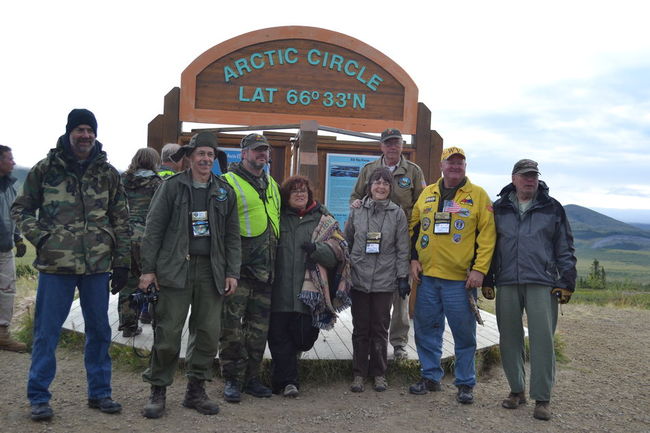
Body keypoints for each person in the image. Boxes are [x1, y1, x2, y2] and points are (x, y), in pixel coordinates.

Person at [12, 109, 130, 421]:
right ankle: (38, 397)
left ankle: (100, 393)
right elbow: (21, 208)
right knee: (46, 334)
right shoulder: (46, 169)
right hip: (56, 266)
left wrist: (122, 263)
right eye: (79, 130)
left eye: (89, 130)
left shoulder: (107, 173)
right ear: (69, 132)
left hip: (97, 266)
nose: (85, 136)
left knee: (100, 331)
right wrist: (43, 238)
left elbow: (121, 219)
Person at [138, 131, 240, 419]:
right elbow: (153, 228)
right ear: (190, 158)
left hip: (212, 270)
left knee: (207, 333)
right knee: (168, 332)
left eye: (210, 154)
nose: (206, 159)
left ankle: (196, 390)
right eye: (201, 154)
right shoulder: (171, 187)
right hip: (174, 268)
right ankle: (158, 389)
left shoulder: (224, 191)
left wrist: (232, 271)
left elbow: (232, 236)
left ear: (215, 159)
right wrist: (148, 270)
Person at [482, 159, 576, 421]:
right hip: (507, 281)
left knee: (542, 340)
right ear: (514, 178)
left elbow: (565, 246)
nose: (529, 180)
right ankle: (516, 391)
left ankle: (542, 398)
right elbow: (489, 245)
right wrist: (488, 279)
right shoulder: (499, 208)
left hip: (542, 282)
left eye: (533, 175)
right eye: (524, 175)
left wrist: (566, 281)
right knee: (508, 338)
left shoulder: (552, 207)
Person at [408, 146, 496, 404]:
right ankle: (430, 376)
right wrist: (413, 258)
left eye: (460, 163)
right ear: (442, 165)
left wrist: (480, 270)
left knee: (464, 333)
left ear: (465, 167)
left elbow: (488, 236)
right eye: (451, 162)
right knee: (426, 329)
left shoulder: (478, 196)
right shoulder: (427, 193)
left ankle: (465, 383)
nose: (455, 166)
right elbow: (414, 227)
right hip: (428, 278)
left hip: (461, 280)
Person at [269, 175, 350, 397]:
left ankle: (282, 378)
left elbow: (338, 251)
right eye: (294, 191)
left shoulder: (323, 219)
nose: (299, 194)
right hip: (280, 292)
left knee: (304, 339)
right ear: (287, 196)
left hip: (309, 294)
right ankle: (288, 382)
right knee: (278, 337)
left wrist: (316, 249)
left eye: (303, 190)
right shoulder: (278, 217)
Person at [350, 128, 426, 360]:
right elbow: (355, 196)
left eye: (396, 143)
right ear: (381, 146)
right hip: (371, 242)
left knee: (401, 294)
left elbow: (422, 204)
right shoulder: (369, 170)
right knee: (371, 295)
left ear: (402, 146)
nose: (392, 147)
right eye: (388, 143)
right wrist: (355, 205)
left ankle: (399, 343)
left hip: (403, 238)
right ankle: (371, 344)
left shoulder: (413, 171)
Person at [220, 133, 281, 403]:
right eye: (256, 150)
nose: (262, 154)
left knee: (258, 331)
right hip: (238, 272)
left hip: (266, 271)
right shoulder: (227, 183)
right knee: (232, 328)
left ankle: (252, 378)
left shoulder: (273, 184)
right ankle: (232, 379)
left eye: (265, 150)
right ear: (243, 153)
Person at [345, 167, 410, 393]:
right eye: (376, 182)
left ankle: (379, 373)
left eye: (385, 183)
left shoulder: (397, 214)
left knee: (380, 328)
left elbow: (403, 249)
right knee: (361, 328)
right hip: (359, 278)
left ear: (390, 188)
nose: (380, 186)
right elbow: (348, 242)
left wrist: (403, 277)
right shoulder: (357, 211)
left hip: (385, 279)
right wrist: (346, 272)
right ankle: (359, 373)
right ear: (369, 186)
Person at [118, 148, 163, 335]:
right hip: (148, 238)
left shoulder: (123, 180)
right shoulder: (158, 183)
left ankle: (128, 326)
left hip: (125, 236)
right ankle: (155, 324)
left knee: (128, 283)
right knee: (154, 282)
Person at [0, 144, 27, 352]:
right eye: (10, 158)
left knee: (7, 290)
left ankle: (2, 334)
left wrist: (18, 238)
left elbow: (12, 214)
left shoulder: (8, 186)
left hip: (4, 248)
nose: (13, 162)